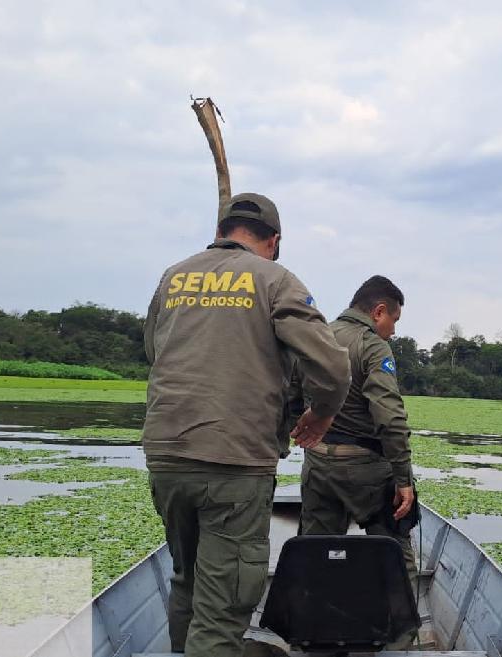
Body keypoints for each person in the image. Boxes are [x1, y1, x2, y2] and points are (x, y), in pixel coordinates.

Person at [142, 192, 351, 657]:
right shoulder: (276, 280)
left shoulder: (172, 277)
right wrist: (321, 412)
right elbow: (333, 367)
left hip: (166, 453)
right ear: (273, 241)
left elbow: (155, 353)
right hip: (234, 462)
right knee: (223, 606)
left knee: (187, 579)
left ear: (219, 232)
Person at [299, 275, 417, 579]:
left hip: (316, 461)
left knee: (315, 553)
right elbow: (390, 418)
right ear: (378, 312)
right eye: (394, 320)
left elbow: (289, 393)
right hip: (364, 469)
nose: (393, 331)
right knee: (394, 553)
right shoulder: (374, 347)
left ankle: (314, 623)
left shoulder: (317, 337)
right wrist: (403, 478)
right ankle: (402, 626)